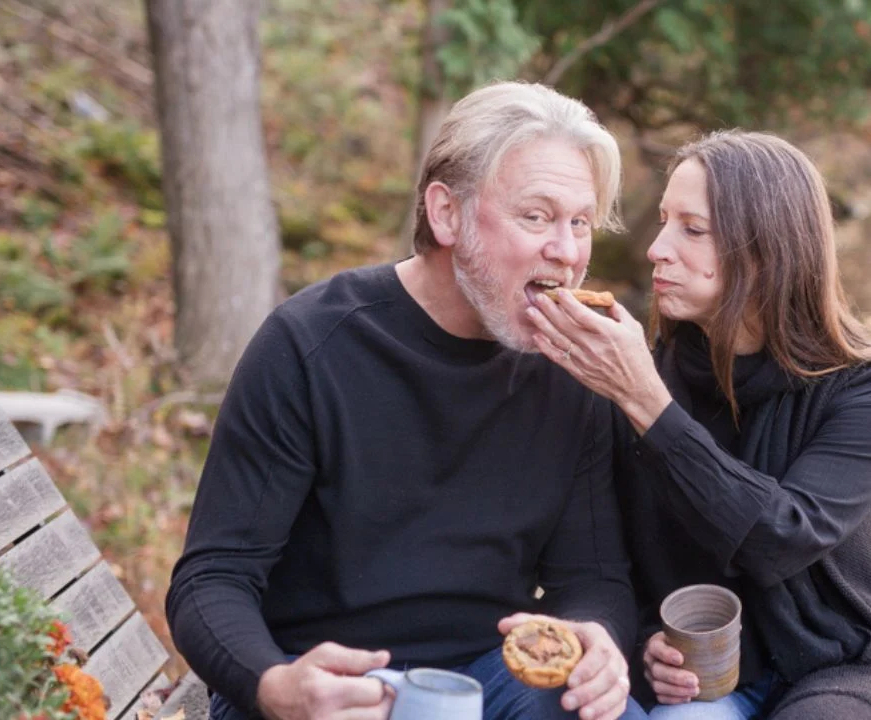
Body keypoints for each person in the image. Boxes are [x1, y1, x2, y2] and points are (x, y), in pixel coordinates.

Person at [165, 81, 649, 720]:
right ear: (446, 213)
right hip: (324, 684)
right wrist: (276, 684)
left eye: (580, 222)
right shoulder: (312, 344)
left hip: (489, 683)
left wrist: (596, 639)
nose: (566, 251)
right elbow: (212, 579)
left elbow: (591, 577)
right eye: (536, 216)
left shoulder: (573, 368)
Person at [529, 130, 871, 719]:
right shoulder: (637, 374)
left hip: (845, 667)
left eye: (692, 229)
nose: (656, 248)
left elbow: (780, 536)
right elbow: (611, 562)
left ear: (767, 251)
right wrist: (647, 645)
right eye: (665, 221)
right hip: (707, 676)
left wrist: (648, 404)